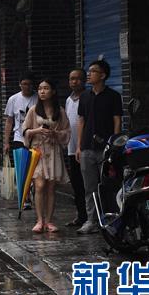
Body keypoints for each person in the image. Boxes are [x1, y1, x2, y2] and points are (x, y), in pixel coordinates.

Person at [75, 59, 123, 235]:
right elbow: (81, 121)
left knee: (109, 185)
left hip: (106, 148)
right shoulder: (84, 97)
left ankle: (112, 219)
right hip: (87, 147)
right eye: (89, 71)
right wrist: (79, 145)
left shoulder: (113, 96)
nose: (89, 74)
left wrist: (115, 145)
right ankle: (91, 221)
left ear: (103, 75)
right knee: (89, 187)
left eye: (93, 71)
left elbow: (117, 120)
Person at [23, 78, 70, 233]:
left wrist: (55, 134)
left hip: (53, 151)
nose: (42, 91)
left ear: (53, 91)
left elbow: (67, 131)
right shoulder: (33, 110)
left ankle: (49, 221)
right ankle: (39, 220)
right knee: (39, 185)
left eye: (46, 88)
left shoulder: (60, 111)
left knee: (50, 187)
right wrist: (37, 131)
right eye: (40, 88)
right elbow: (25, 130)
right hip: (38, 152)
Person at [4, 74, 38, 209]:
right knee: (22, 169)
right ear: (20, 84)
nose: (27, 87)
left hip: (35, 138)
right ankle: (26, 197)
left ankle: (33, 191)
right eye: (24, 84)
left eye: (29, 84)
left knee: (34, 169)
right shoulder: (13, 99)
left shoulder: (38, 98)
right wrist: (6, 141)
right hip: (19, 138)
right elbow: (9, 121)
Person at [64, 68, 87, 227]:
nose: (74, 81)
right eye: (71, 79)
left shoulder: (88, 97)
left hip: (85, 148)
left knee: (88, 185)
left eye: (77, 78)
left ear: (84, 80)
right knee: (77, 184)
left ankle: (92, 216)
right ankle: (81, 216)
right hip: (71, 149)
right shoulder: (68, 100)